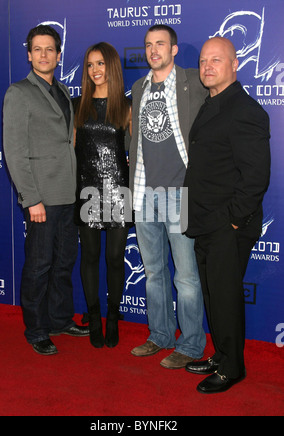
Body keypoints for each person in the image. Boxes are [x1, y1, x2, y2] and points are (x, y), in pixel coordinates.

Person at [184, 37, 271, 393]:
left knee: (226, 296)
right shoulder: (211, 103)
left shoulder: (247, 111)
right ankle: (221, 354)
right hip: (205, 220)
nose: (207, 66)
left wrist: (231, 221)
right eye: (204, 60)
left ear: (235, 64)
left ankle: (233, 368)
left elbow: (255, 177)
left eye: (216, 60)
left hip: (227, 225)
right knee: (212, 295)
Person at [3, 25, 89, 356]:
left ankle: (59, 318)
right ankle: (37, 329)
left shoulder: (63, 91)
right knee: (39, 266)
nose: (43, 55)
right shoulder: (19, 92)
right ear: (29, 54)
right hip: (41, 197)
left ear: (58, 54)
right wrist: (31, 197)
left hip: (68, 194)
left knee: (64, 260)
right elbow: (13, 150)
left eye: (50, 49)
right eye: (37, 49)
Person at [129, 25, 208, 368]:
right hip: (145, 192)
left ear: (174, 49)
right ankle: (160, 335)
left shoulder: (194, 82)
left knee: (186, 277)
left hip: (180, 194)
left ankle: (191, 345)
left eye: (160, 44)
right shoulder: (139, 86)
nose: (153, 50)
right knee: (154, 272)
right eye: (148, 45)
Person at [73, 42, 132, 348]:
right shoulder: (76, 105)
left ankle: (113, 315)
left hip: (119, 191)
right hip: (86, 190)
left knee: (114, 258)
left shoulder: (126, 105)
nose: (95, 70)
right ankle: (94, 316)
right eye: (90, 65)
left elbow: (136, 155)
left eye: (101, 64)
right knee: (91, 256)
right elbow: (69, 152)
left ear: (112, 66)